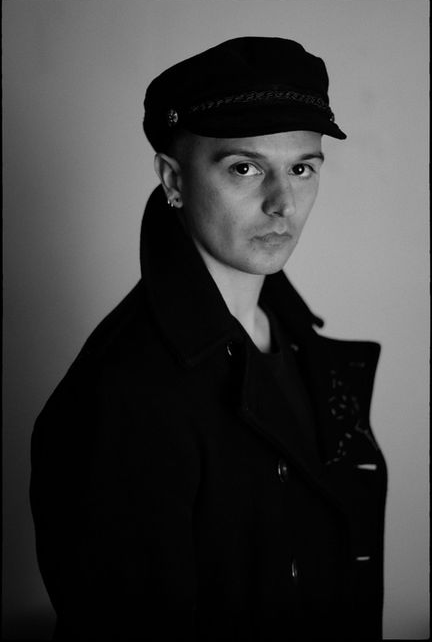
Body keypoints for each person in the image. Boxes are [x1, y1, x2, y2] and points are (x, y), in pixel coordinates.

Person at [30, 36, 387, 641]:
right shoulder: (120, 396)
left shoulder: (299, 340)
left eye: (301, 168)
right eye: (245, 168)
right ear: (173, 178)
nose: (283, 203)